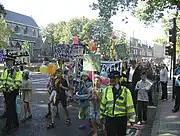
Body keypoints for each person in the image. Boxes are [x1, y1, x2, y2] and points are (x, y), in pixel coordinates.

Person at [100, 71, 136, 136]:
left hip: (121, 119)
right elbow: (103, 105)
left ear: (118, 79)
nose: (112, 80)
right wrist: (101, 116)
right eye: (110, 78)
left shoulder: (125, 91)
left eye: (114, 78)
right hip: (109, 119)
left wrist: (132, 119)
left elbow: (130, 106)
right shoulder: (106, 90)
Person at [0, 54, 22, 133]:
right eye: (7, 61)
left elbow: (18, 82)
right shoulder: (5, 70)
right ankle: (16, 123)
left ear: (12, 62)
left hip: (12, 92)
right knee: (11, 108)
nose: (7, 62)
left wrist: (10, 89)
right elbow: (2, 79)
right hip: (5, 92)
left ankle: (7, 126)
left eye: (9, 61)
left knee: (9, 109)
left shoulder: (17, 71)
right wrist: (2, 87)